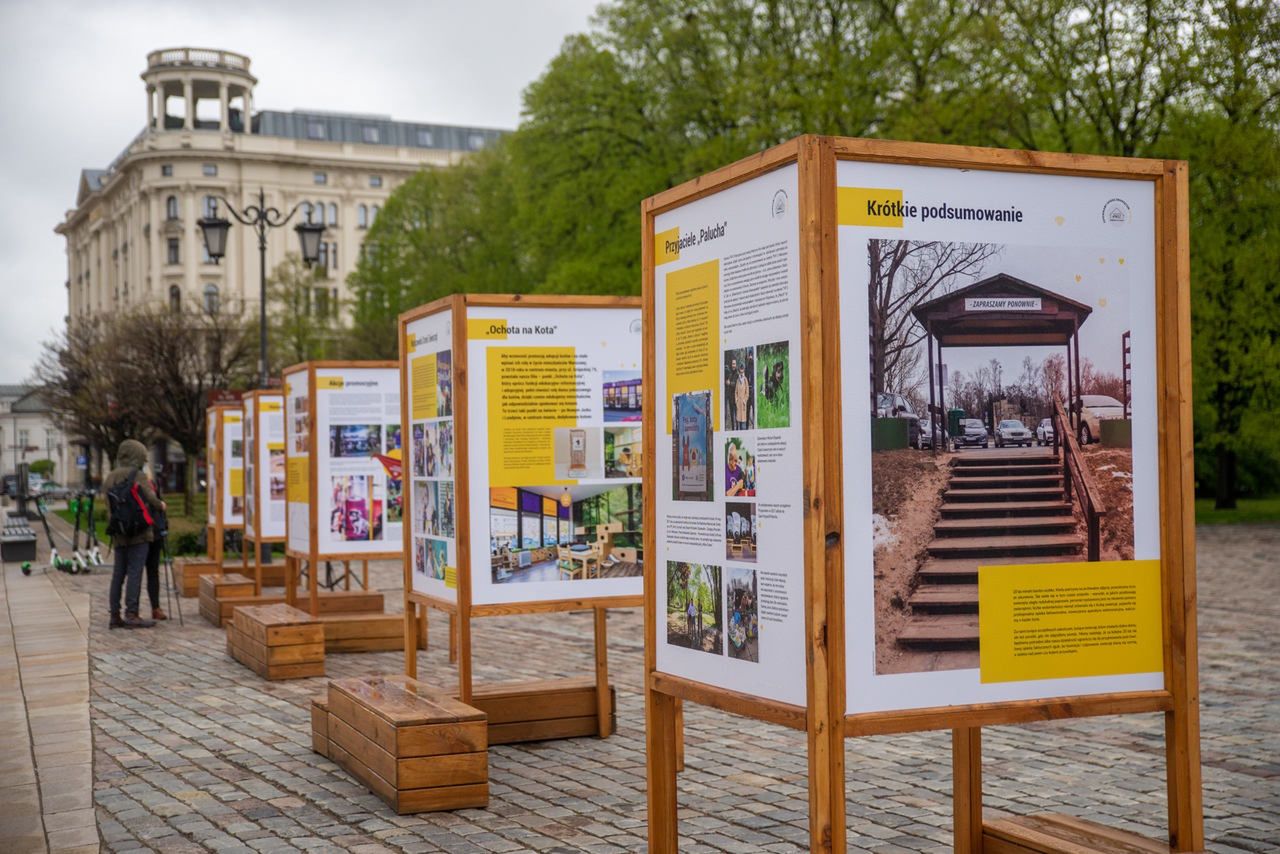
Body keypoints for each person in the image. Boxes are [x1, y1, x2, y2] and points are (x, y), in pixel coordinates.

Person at [104, 439, 166, 629]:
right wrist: (162, 505)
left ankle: (115, 615)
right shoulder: (137, 475)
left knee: (118, 573)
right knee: (135, 572)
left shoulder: (110, 477)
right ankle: (132, 613)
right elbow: (152, 499)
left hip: (119, 531)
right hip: (139, 532)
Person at [142, 464, 169, 621]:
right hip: (142, 532)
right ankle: (134, 609)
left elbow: (159, 505)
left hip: (156, 531)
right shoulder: (138, 484)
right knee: (138, 571)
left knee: (153, 571)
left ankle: (155, 607)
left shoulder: (154, 484)